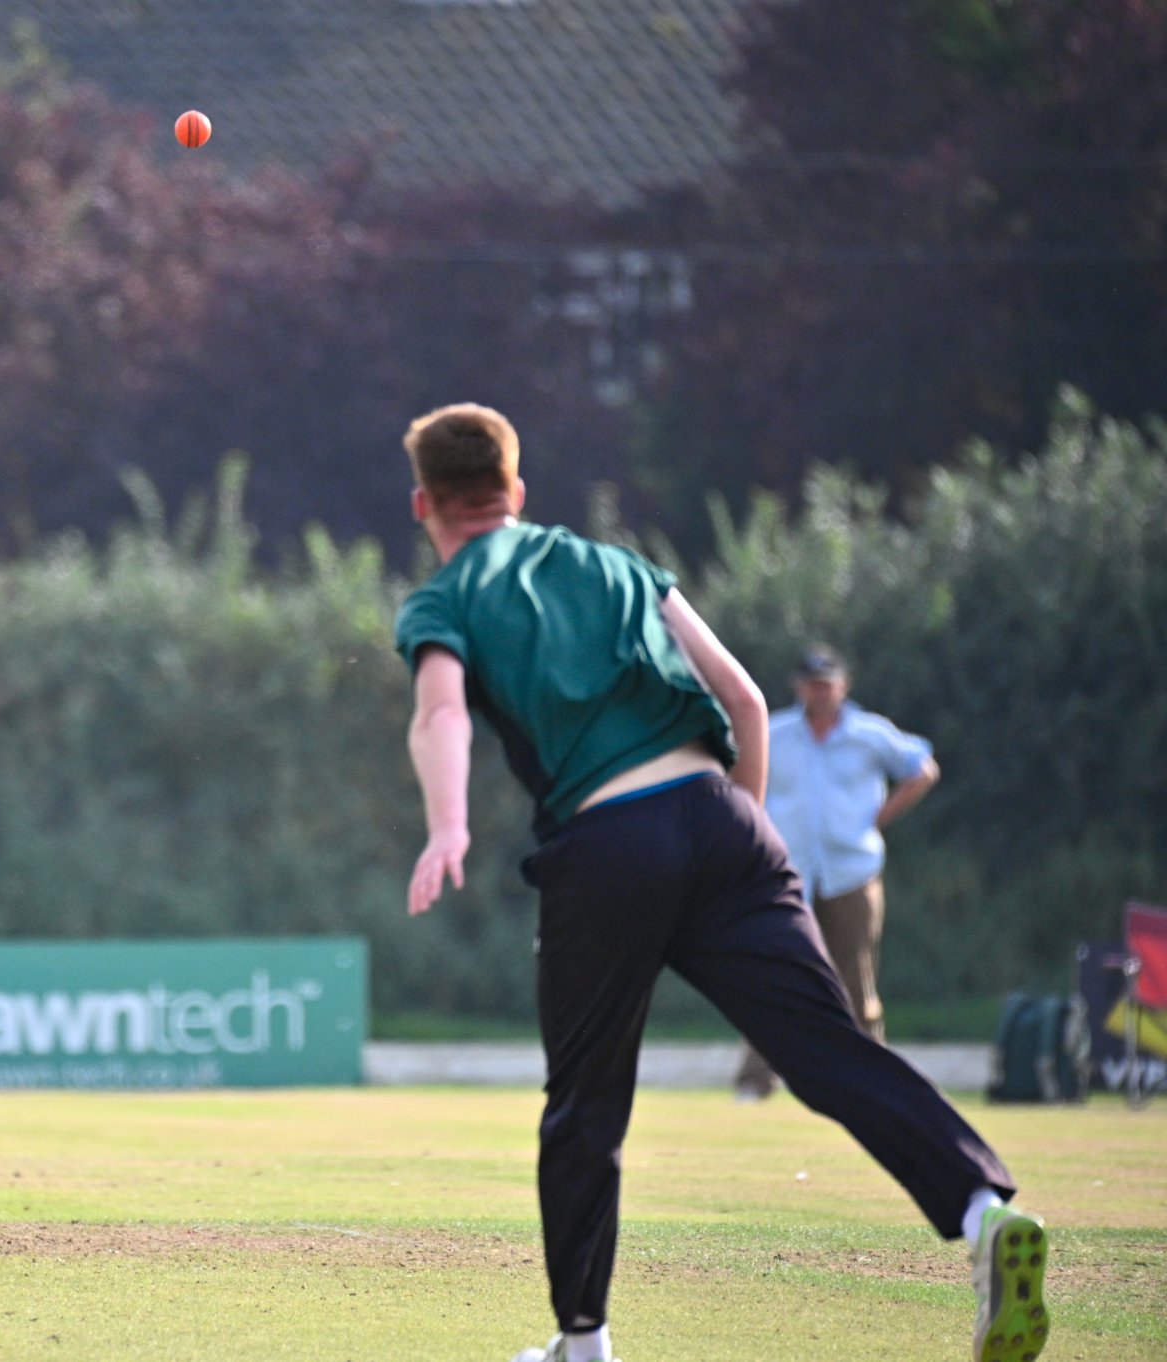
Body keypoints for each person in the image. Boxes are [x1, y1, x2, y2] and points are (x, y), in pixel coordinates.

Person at [390, 404, 1048, 1362]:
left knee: (585, 1103)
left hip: (605, 844)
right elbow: (743, 698)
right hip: (723, 816)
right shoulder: (619, 566)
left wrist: (446, 825)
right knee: (828, 1047)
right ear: (518, 489)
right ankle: (984, 1213)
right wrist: (738, 835)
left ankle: (584, 1343)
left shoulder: (445, 598)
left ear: (424, 505)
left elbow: (440, 717)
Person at [733, 644, 941, 1100]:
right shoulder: (776, 733)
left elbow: (922, 770)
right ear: (799, 687)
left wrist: (881, 815)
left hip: (852, 871)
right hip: (786, 872)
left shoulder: (869, 734)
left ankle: (873, 1080)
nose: (819, 692)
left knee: (856, 978)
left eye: (827, 683)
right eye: (811, 683)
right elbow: (734, 774)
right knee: (775, 971)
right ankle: (755, 1081)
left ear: (842, 686)